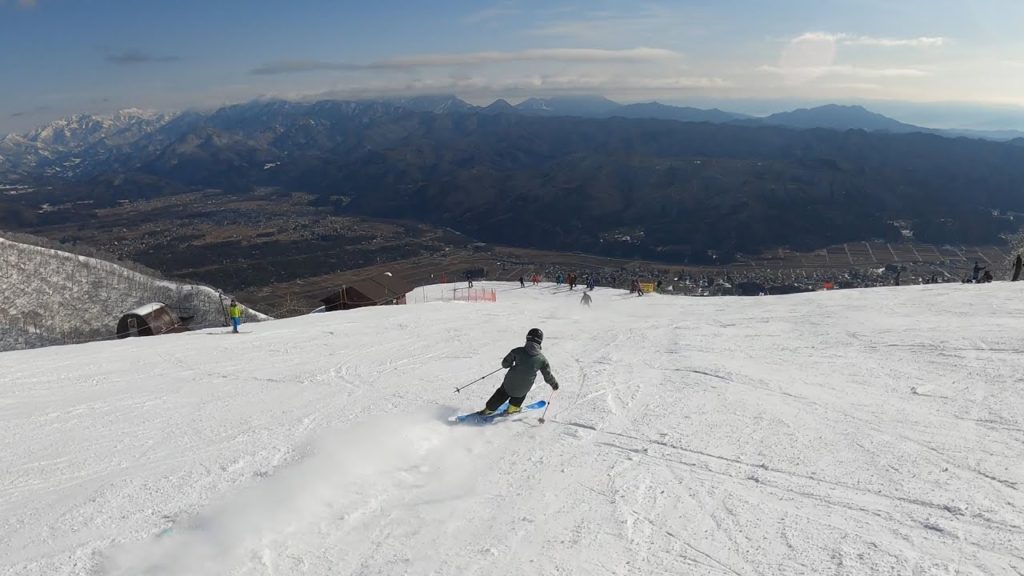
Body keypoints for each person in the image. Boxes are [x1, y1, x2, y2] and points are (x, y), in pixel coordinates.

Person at [479, 328, 558, 416]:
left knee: (502, 392)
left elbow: (505, 364)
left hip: (508, 384)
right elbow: (548, 376)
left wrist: (511, 363)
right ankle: (513, 408)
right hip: (523, 388)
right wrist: (554, 384)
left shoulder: (517, 351)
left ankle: (489, 409)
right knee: (521, 392)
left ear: (527, 338)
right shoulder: (542, 360)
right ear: (540, 342)